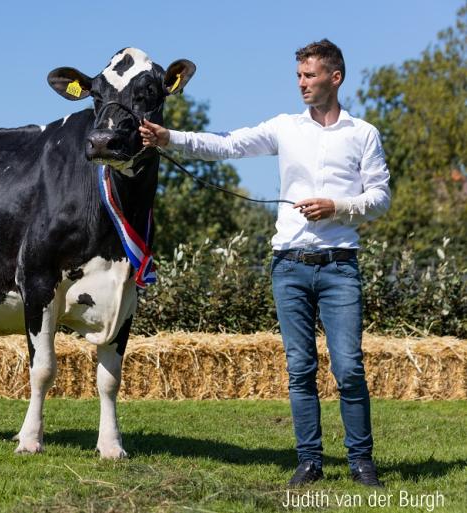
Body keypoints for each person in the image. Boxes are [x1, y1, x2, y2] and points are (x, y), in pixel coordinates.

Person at [139, 39, 390, 487]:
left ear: (335, 77)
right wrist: (169, 137)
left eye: (310, 76)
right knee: (300, 368)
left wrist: (337, 206)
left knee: (348, 367)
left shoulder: (363, 134)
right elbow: (228, 145)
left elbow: (380, 197)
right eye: (298, 76)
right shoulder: (285, 127)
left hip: (339, 267)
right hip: (288, 265)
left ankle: (361, 461)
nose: (302, 84)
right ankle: (310, 461)